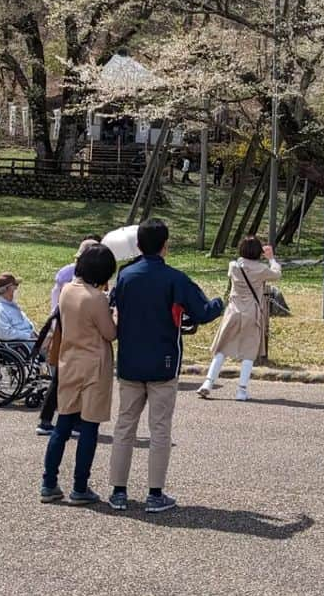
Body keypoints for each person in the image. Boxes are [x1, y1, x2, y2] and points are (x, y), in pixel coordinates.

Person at [108, 219, 223, 514]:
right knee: (159, 429)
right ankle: (154, 493)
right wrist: (221, 302)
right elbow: (202, 312)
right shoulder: (175, 278)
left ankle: (118, 491)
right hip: (163, 362)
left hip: (130, 360)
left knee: (124, 426)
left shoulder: (125, 276)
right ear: (164, 244)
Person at [40, 245, 118, 505]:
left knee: (62, 427)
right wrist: (114, 313)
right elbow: (110, 333)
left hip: (69, 362)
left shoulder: (67, 291)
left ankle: (49, 482)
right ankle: (80, 486)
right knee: (89, 428)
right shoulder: (97, 299)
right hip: (94, 366)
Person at [197, 236, 281, 401]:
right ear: (259, 252)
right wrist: (271, 258)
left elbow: (238, 266)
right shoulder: (262, 269)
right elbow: (277, 274)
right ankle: (241, 391)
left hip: (233, 311)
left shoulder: (233, 266)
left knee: (222, 349)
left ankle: (208, 383)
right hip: (252, 313)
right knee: (249, 353)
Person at [37, 238, 101, 436]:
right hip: (67, 328)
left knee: (67, 376)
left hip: (67, 327)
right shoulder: (72, 275)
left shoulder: (74, 274)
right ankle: (57, 420)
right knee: (67, 376)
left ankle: (59, 420)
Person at [0, 273, 36, 345]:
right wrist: (28, 336)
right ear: (7, 289)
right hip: (22, 344)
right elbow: (5, 334)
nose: (16, 289)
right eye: (15, 286)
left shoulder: (11, 305)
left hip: (31, 340)